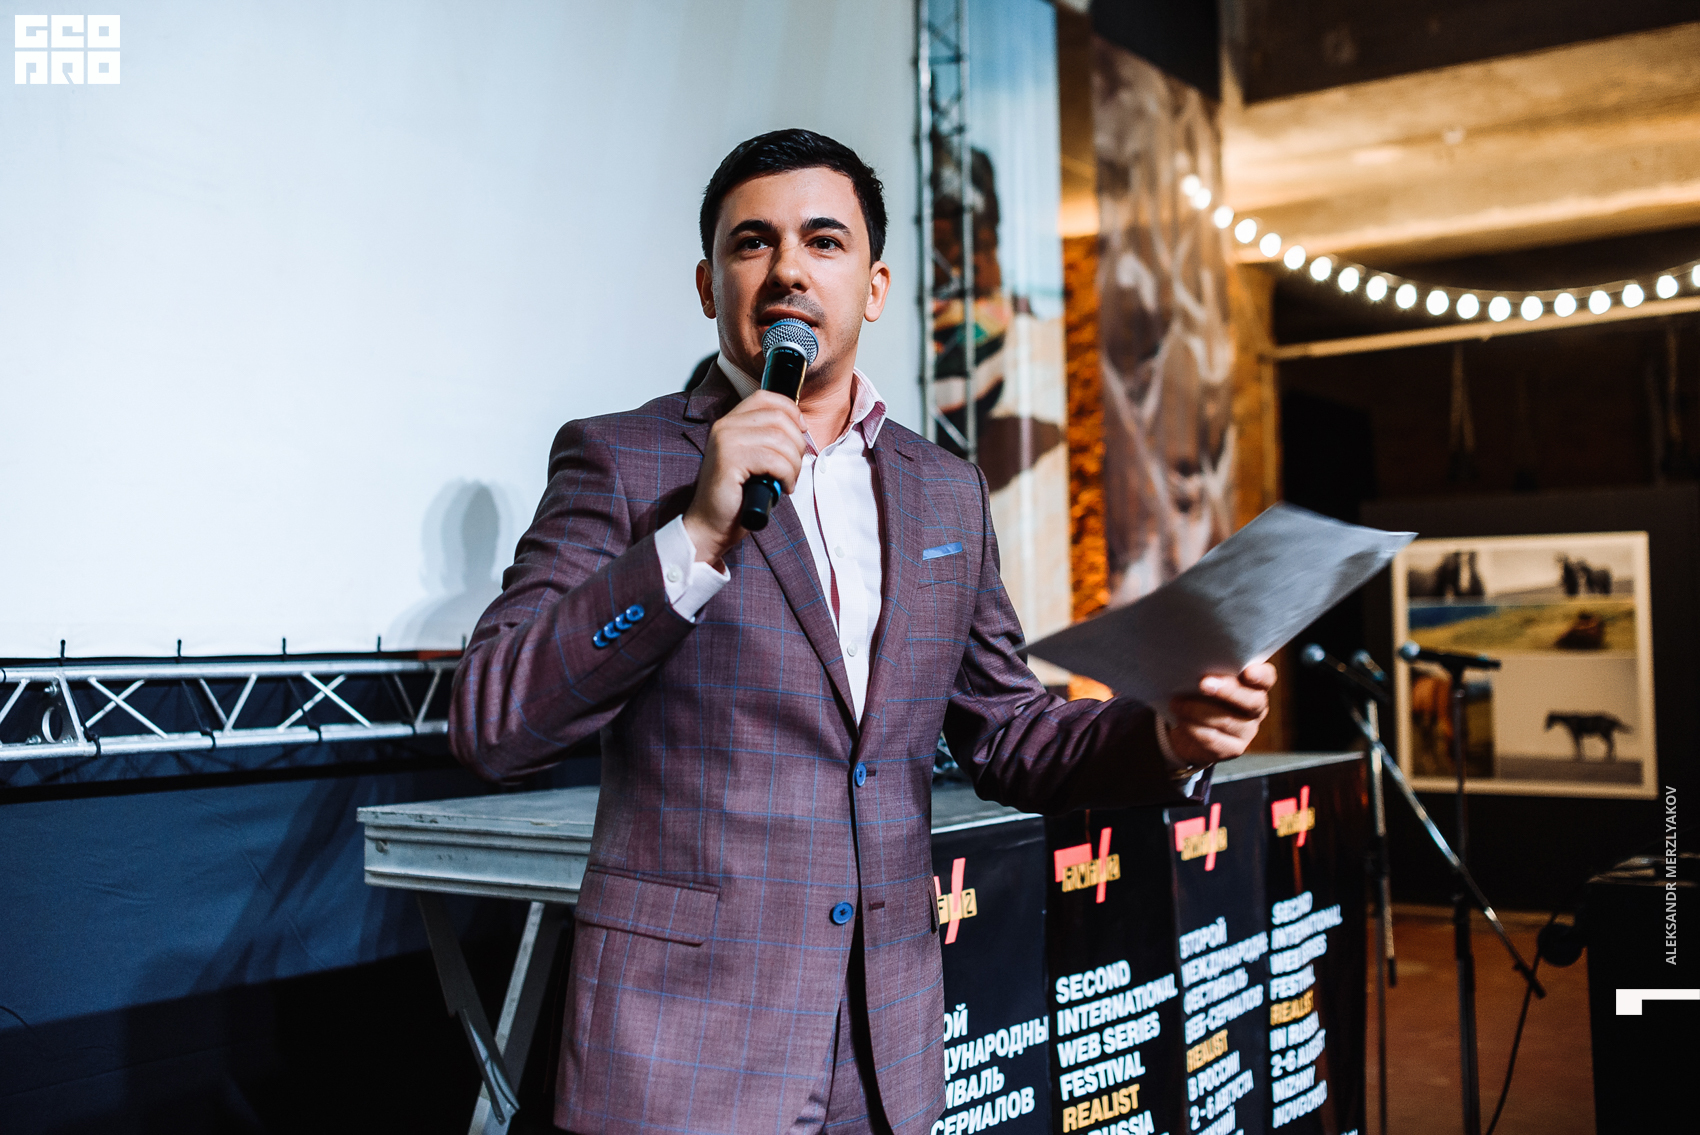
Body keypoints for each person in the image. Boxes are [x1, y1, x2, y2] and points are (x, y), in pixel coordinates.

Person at [449, 129, 1274, 1135]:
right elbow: (494, 720)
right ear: (708, 286)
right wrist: (696, 532)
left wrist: (1168, 735)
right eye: (751, 242)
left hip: (886, 1056)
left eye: (823, 240)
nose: (787, 268)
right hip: (684, 1054)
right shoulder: (622, 460)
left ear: (875, 287)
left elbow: (1009, 733)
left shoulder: (944, 490)